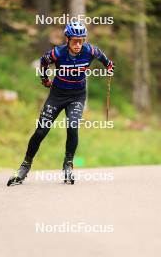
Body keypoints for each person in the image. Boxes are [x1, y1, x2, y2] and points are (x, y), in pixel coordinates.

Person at [7, 21, 114, 186]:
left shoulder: (90, 50)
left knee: (72, 126)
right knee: (41, 130)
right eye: (75, 41)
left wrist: (109, 66)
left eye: (81, 40)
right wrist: (44, 80)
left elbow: (104, 59)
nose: (78, 44)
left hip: (77, 96)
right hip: (57, 95)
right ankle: (24, 167)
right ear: (67, 39)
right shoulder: (57, 53)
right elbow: (43, 61)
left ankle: (68, 164)